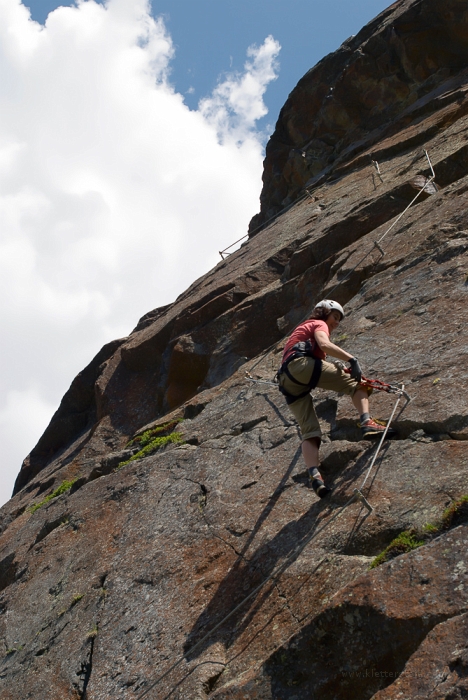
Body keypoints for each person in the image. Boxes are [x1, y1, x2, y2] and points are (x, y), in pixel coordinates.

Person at [277, 299, 395, 498]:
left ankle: (314, 474)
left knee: (310, 432)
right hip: (303, 367)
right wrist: (352, 360)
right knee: (359, 385)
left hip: (287, 380)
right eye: (335, 317)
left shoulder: (300, 332)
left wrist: (340, 369)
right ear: (324, 313)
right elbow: (324, 344)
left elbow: (319, 359)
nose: (336, 322)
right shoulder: (318, 323)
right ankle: (367, 422)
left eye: (339, 319)